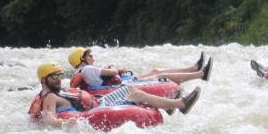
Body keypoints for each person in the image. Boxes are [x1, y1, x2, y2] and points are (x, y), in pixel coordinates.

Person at [31, 62, 201, 128]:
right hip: (97, 109)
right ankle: (180, 105)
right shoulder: (50, 97)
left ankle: (171, 104)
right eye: (56, 76)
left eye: (61, 75)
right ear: (44, 79)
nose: (60, 79)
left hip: (98, 102)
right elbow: (49, 118)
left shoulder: (56, 91)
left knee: (130, 90)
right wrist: (65, 123)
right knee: (133, 94)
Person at [68, 47, 211, 90]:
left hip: (119, 84)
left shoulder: (82, 71)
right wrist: (114, 67)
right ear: (82, 59)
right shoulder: (87, 70)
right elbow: (113, 72)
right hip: (121, 87)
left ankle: (193, 68)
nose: (93, 58)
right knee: (156, 76)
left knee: (155, 71)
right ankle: (200, 74)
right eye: (90, 56)